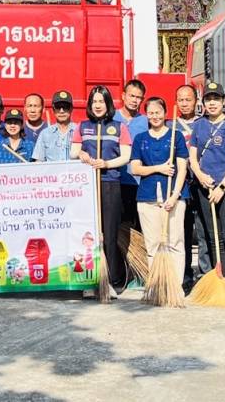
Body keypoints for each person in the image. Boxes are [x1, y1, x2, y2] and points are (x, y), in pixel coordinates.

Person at [188, 81, 225, 289]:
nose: (212, 103)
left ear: (224, 102)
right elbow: (193, 158)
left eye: (216, 99)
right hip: (204, 188)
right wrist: (200, 176)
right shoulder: (199, 125)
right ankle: (221, 285)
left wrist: (222, 187)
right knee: (214, 238)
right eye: (208, 99)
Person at [74, 85, 131, 292]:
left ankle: (113, 279)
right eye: (94, 102)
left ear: (108, 104)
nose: (97, 105)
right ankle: (90, 278)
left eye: (101, 101)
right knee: (89, 232)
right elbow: (73, 151)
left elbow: (125, 156)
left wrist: (106, 164)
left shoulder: (119, 127)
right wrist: (83, 155)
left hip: (110, 184)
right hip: (87, 185)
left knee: (109, 232)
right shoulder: (83, 126)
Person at [129, 97, 189, 287]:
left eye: (158, 112)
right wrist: (159, 168)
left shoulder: (175, 136)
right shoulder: (140, 139)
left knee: (175, 243)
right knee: (153, 244)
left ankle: (175, 286)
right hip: (147, 198)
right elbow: (136, 168)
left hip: (173, 197)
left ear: (165, 113)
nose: (155, 116)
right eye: (151, 113)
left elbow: (182, 169)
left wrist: (175, 195)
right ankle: (158, 286)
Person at [174, 84, 207, 292]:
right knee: (183, 232)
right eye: (181, 99)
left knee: (204, 231)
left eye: (188, 99)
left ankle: (205, 275)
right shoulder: (170, 125)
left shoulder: (205, 124)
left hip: (202, 181)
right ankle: (184, 274)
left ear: (196, 101)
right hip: (180, 184)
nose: (185, 103)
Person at [115, 79, 149, 231]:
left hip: (138, 181)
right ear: (123, 96)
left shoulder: (146, 121)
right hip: (115, 179)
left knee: (139, 226)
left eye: (139, 97)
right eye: (132, 96)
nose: (135, 100)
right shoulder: (111, 117)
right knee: (118, 225)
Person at [32, 91, 77, 162]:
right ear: (53, 109)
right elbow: (39, 162)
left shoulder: (79, 131)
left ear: (71, 108)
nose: (61, 111)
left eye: (65, 107)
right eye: (58, 107)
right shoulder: (45, 134)